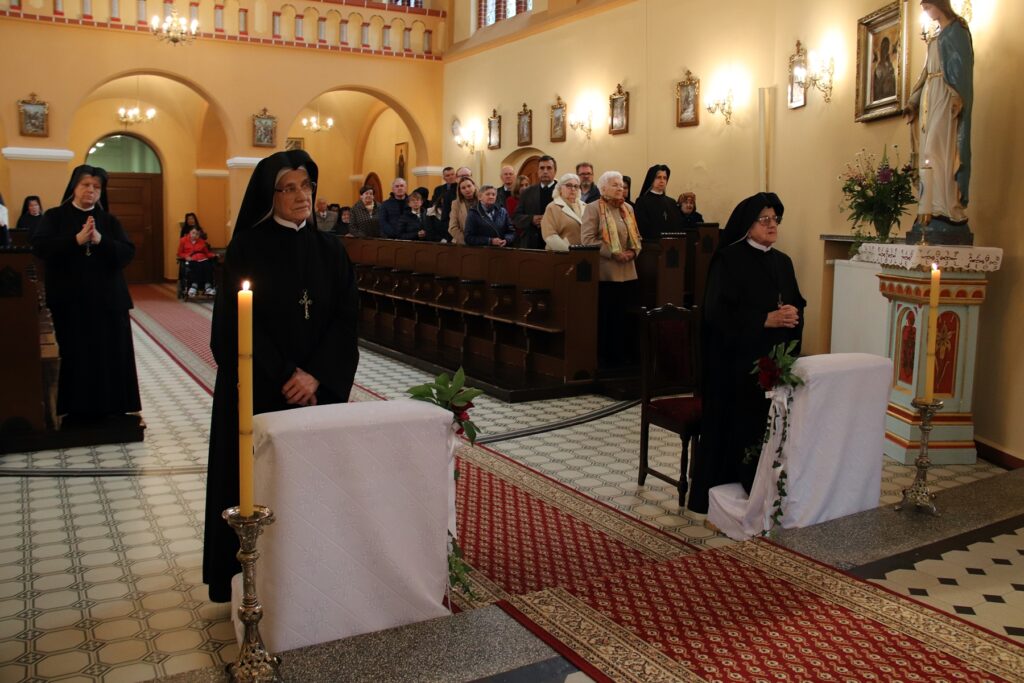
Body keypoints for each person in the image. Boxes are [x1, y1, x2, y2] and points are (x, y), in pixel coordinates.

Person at [203, 149, 360, 603]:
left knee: (312, 486)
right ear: (269, 196)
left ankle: (312, 569)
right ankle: (251, 580)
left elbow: (346, 320)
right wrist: (286, 374)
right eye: (289, 188)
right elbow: (235, 326)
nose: (301, 195)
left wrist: (317, 376)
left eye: (306, 185)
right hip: (261, 391)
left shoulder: (332, 250)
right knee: (256, 485)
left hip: (317, 393)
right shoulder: (246, 249)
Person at [687, 192, 806, 514]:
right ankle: (739, 482)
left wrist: (793, 315)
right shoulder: (728, 260)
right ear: (747, 225)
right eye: (764, 219)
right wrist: (764, 320)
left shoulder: (783, 262)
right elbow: (717, 314)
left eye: (775, 219)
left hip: (775, 359)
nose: (772, 225)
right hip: (735, 362)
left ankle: (773, 484)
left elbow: (796, 302)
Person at [31, 164, 142, 422]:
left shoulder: (110, 221)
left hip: (109, 302)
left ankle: (113, 406)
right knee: (77, 355)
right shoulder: (54, 217)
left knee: (110, 355)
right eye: (85, 185)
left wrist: (101, 241)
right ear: (74, 187)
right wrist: (76, 241)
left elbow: (127, 253)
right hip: (70, 302)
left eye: (96, 187)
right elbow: (40, 247)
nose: (90, 190)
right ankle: (77, 409)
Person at [905, 0, 973, 225]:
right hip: (930, 96)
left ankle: (947, 205)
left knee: (940, 147)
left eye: (927, 7)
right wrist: (913, 101)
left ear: (939, 4)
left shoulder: (957, 30)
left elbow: (962, 67)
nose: (926, 13)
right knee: (927, 151)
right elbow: (926, 71)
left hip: (946, 94)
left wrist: (957, 95)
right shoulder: (935, 35)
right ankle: (929, 206)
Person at [581, 171, 642, 368]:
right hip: (606, 274)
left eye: (621, 185)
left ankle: (625, 355)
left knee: (626, 318)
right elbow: (587, 239)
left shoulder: (628, 208)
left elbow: (636, 236)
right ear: (603, 188)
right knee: (609, 317)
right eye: (615, 185)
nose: (620, 188)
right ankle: (608, 358)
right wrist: (613, 253)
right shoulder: (593, 208)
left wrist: (633, 252)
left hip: (629, 272)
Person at [513, 155, 558, 249]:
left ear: (555, 171)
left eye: (549, 168)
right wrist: (531, 219)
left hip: (556, 241)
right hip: (532, 243)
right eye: (542, 168)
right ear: (538, 171)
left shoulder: (562, 191)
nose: (545, 171)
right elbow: (516, 217)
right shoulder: (527, 192)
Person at [634, 164, 685, 240]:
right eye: (658, 177)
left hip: (672, 244)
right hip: (651, 244)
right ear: (651, 179)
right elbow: (642, 227)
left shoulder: (672, 202)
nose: (662, 181)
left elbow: (678, 226)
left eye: (665, 178)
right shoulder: (642, 201)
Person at [541, 172, 585, 251]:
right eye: (569, 185)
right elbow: (550, 236)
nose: (573, 189)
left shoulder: (585, 206)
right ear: (560, 188)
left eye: (576, 186)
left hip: (586, 253)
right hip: (561, 254)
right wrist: (569, 251)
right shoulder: (552, 207)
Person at [177, 225, 217, 297]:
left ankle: (208, 286)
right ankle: (194, 286)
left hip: (202, 258)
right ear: (190, 232)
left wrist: (214, 255)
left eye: (197, 234)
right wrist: (186, 257)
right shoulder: (183, 240)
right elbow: (179, 253)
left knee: (208, 266)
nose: (195, 235)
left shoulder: (202, 241)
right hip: (191, 259)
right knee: (197, 266)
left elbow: (207, 253)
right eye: (193, 233)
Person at [448, 177, 478, 245]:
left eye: (469, 186)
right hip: (462, 242)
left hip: (482, 242)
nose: (467, 189)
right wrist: (467, 241)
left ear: (474, 186)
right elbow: (452, 227)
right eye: (463, 188)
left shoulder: (483, 201)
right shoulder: (456, 204)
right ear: (460, 191)